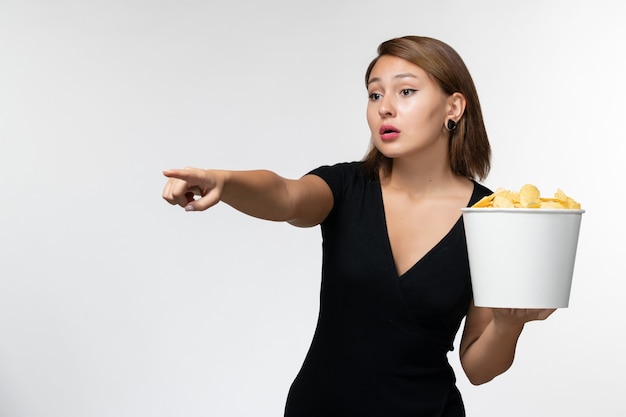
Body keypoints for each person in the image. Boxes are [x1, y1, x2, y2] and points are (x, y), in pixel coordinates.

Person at [162, 35, 555, 417]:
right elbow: (285, 195)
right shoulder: (345, 187)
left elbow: (478, 367)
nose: (385, 107)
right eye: (374, 94)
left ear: (454, 107)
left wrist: (507, 324)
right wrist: (224, 181)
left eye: (405, 92)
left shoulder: (490, 214)